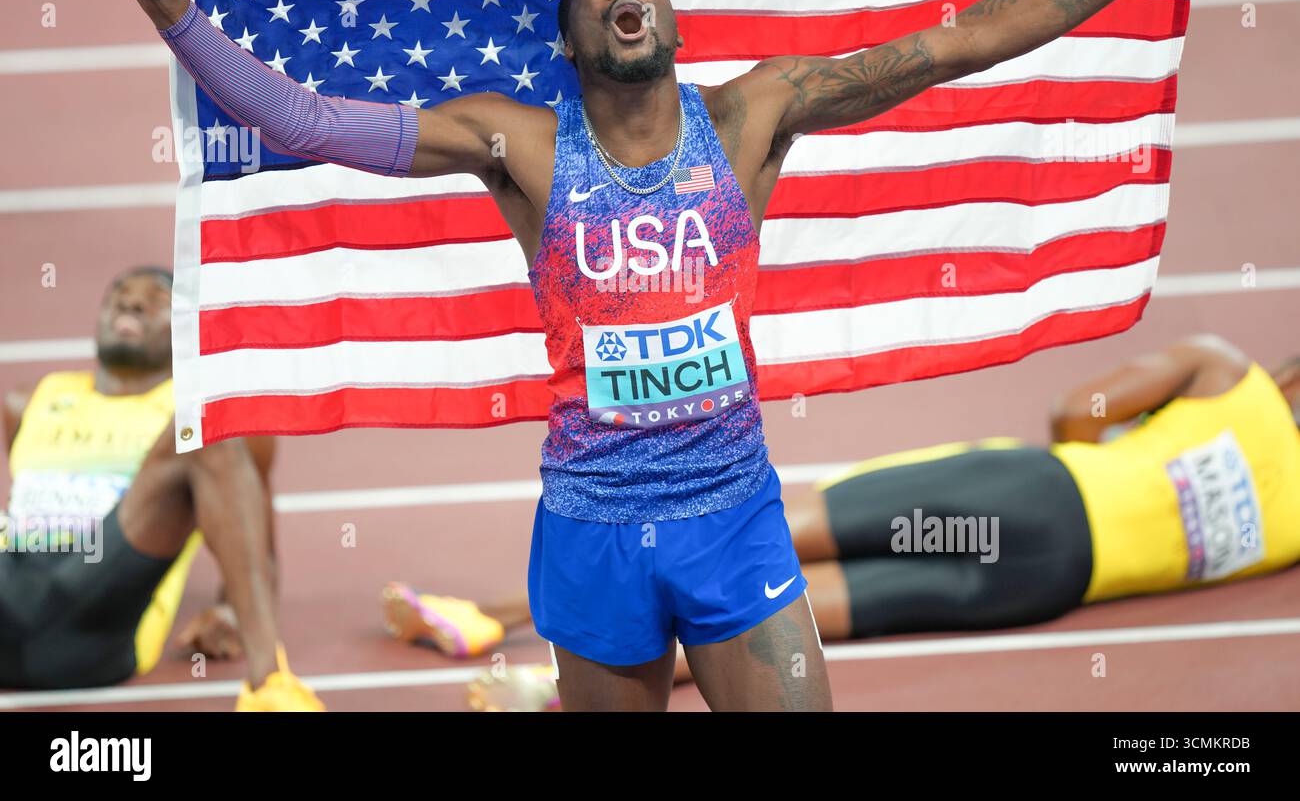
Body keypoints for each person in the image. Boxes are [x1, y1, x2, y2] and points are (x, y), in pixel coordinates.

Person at [122, 0, 1235, 711]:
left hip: (734, 519)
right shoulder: (519, 143)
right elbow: (309, 120)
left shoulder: (751, 113)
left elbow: (959, 44)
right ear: (568, 43)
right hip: (590, 528)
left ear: (668, 23)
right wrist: (171, 6)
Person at [386, 333, 1300, 709]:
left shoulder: (1225, 371)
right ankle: (544, 687)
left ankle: (491, 615)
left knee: (776, 547)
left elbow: (1078, 409)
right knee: (801, 618)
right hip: (1048, 578)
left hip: (1039, 494)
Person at [0, 267, 322, 710]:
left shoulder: (197, 408)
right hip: (12, 579)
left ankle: (270, 686)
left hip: (90, 614)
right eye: (119, 293)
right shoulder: (31, 401)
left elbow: (256, 543)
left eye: (155, 299)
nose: (131, 303)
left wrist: (229, 611)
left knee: (206, 424)